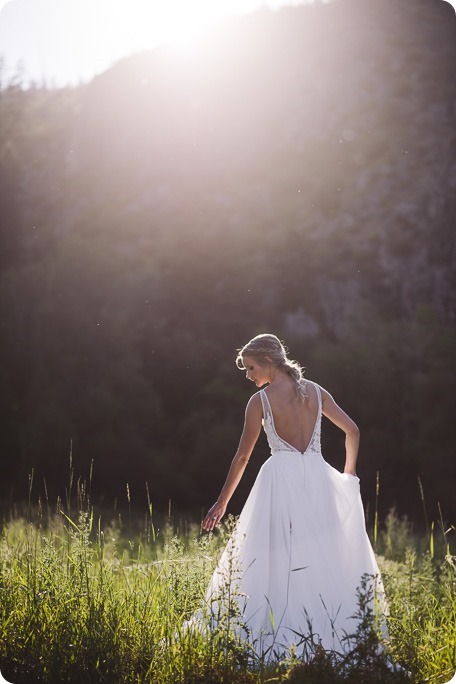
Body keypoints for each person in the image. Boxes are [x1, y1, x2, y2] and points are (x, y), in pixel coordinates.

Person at [199, 333, 387, 660]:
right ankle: (321, 636)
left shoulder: (259, 402)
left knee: (271, 557)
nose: (248, 375)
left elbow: (242, 458)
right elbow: (353, 430)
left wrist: (223, 502)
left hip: (280, 481)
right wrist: (350, 471)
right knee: (318, 555)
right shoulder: (316, 391)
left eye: (251, 367)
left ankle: (278, 634)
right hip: (318, 477)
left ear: (268, 361)